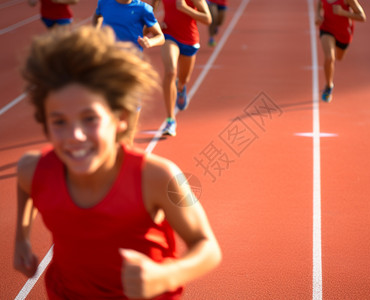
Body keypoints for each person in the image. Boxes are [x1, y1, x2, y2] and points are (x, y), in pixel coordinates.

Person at [13, 26, 221, 299]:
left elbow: (207, 247)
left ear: (121, 117)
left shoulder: (160, 177)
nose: (75, 136)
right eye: (59, 121)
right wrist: (21, 239)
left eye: (90, 119)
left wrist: (165, 276)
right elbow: (25, 183)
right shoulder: (35, 169)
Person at [93, 0, 165, 144]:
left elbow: (160, 36)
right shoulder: (105, 3)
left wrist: (150, 42)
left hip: (132, 66)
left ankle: (128, 142)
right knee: (107, 102)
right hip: (109, 63)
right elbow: (97, 16)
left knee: (131, 104)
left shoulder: (143, 9)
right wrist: (95, 33)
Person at [152, 0, 212, 136]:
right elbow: (149, 10)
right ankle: (170, 119)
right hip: (169, 35)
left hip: (189, 40)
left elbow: (208, 19)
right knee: (170, 71)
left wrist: (185, 8)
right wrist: (155, 25)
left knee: (184, 78)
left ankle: (180, 87)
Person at [315, 0, 366, 102]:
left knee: (339, 57)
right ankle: (329, 85)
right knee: (330, 57)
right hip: (327, 29)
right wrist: (318, 15)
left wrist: (343, 13)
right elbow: (320, 4)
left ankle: (329, 84)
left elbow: (362, 17)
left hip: (343, 34)